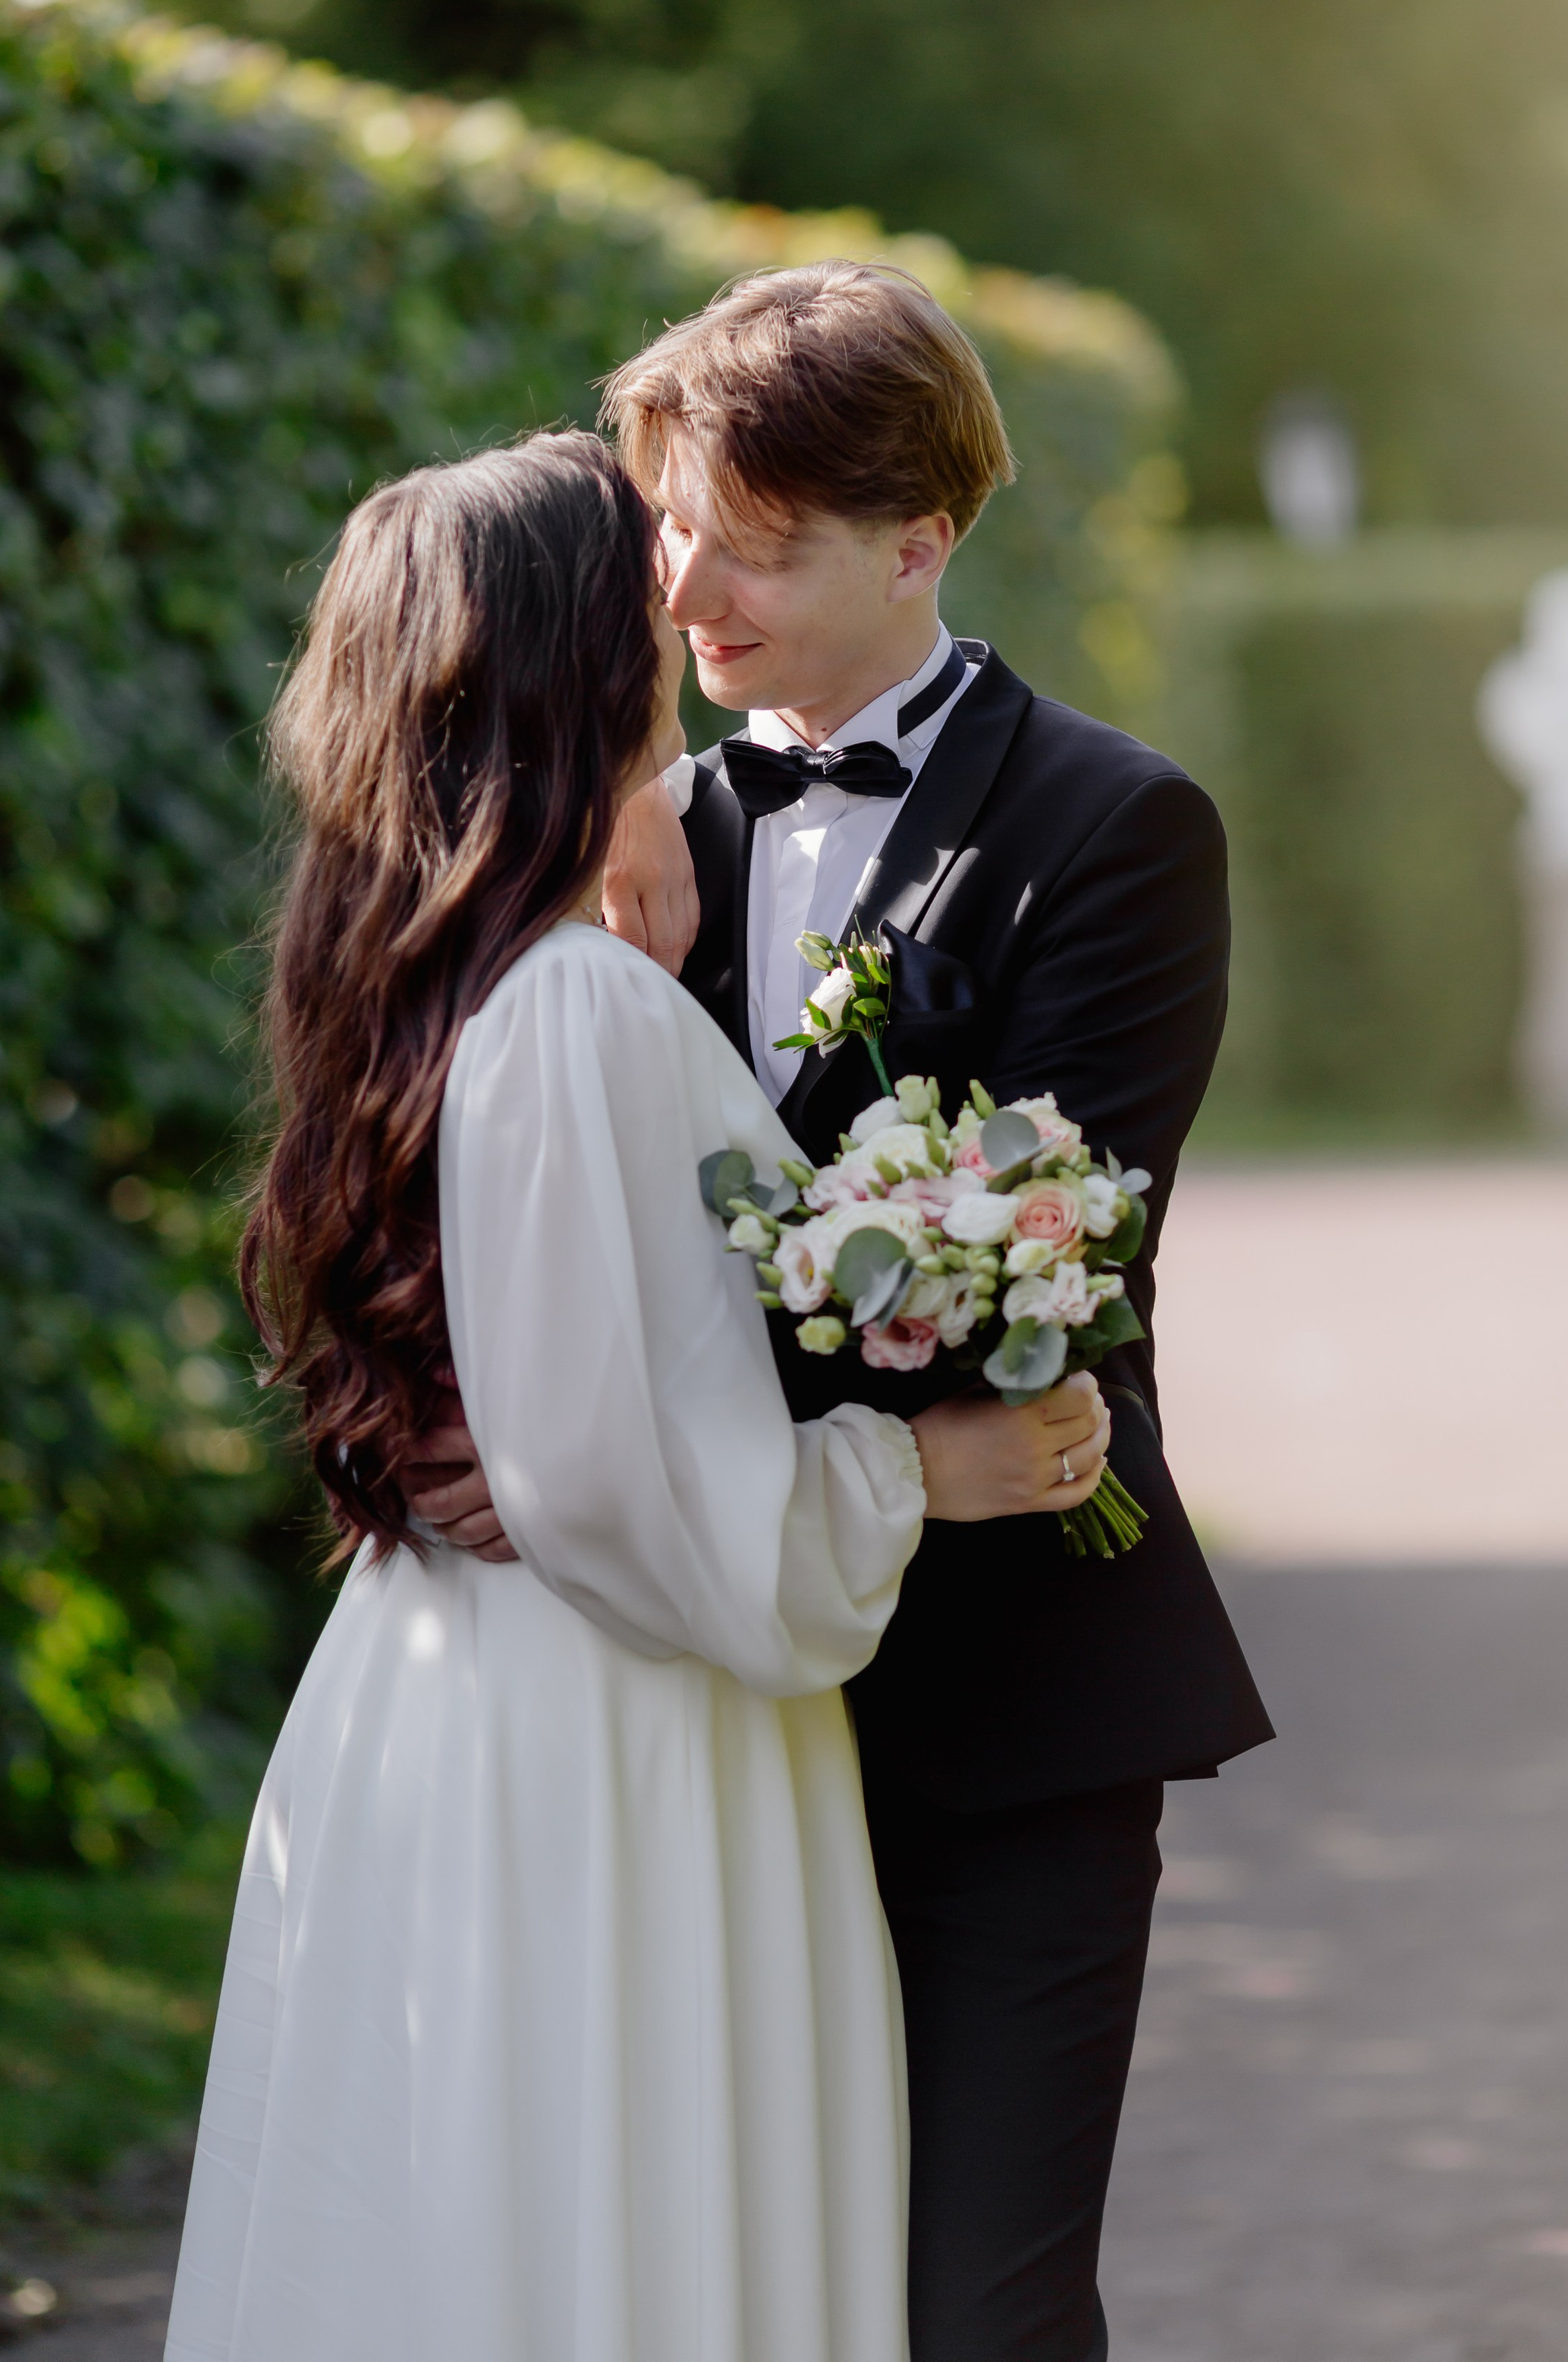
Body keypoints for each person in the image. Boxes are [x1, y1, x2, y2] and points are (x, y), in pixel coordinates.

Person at [164, 432, 1111, 2362]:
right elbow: (620, 1485)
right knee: (627, 2230)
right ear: (577, 665)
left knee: (463, 2237)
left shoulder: (411, 976)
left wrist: (634, 826)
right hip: (618, 1726)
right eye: (642, 585)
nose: (682, 605)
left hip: (431, 1692)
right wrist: (918, 1471)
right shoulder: (581, 1008)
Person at [405, 269, 1275, 2362]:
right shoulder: (619, 842)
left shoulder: (1115, 829)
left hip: (1007, 1697)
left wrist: (643, 1420)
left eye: (759, 544)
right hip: (697, 1721)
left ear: (919, 541)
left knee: (979, 2308)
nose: (684, 593)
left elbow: (1043, 1263)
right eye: (669, 530)